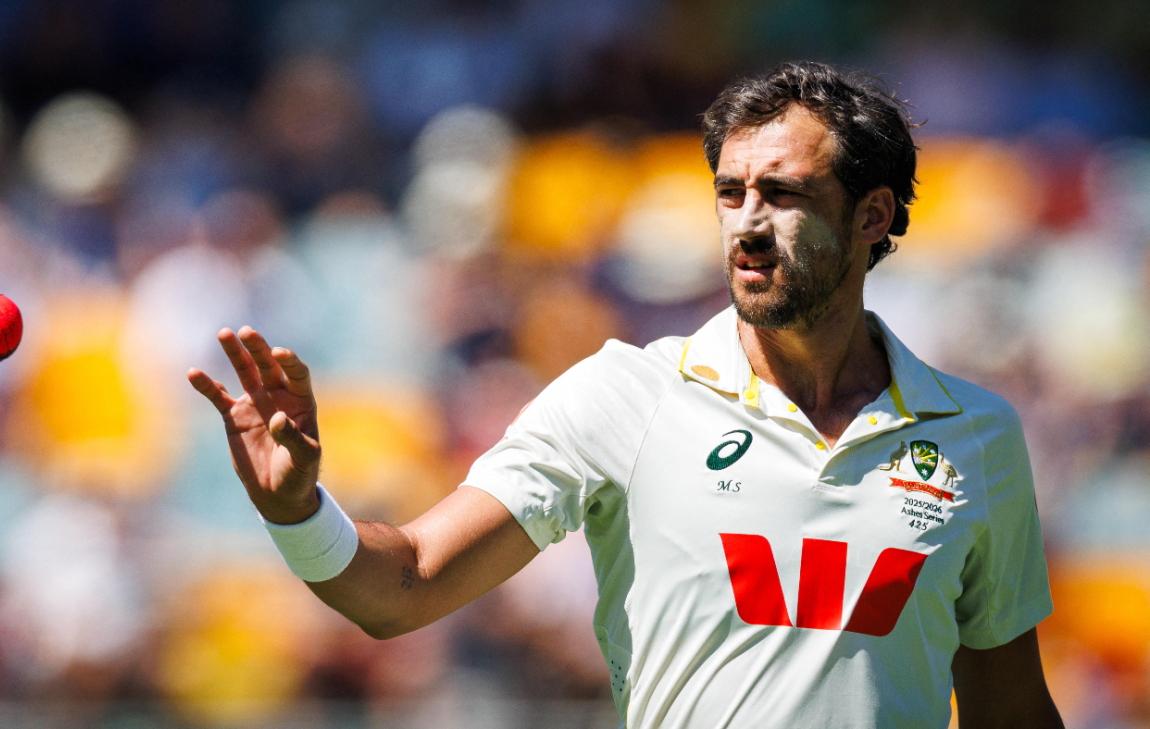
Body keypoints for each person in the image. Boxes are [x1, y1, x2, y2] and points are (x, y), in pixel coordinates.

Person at [188, 62, 1063, 728]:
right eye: (730, 193)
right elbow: (405, 585)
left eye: (784, 194)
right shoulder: (626, 396)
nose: (748, 224)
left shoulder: (977, 436)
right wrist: (298, 512)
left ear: (872, 215)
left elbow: (1011, 710)